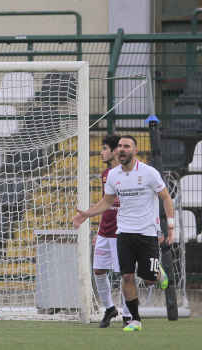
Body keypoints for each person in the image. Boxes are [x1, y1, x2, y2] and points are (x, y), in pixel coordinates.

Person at [72, 135, 173, 332]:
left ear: (135, 151)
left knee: (149, 280)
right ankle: (135, 320)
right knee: (126, 276)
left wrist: (170, 224)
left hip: (147, 233)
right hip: (124, 233)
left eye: (126, 146)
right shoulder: (112, 175)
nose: (121, 149)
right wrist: (87, 213)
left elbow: (166, 198)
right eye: (119, 146)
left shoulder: (149, 172)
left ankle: (157, 271)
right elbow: (107, 202)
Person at [93, 134, 132, 329]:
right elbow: (105, 203)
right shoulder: (106, 174)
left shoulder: (130, 173)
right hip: (104, 231)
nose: (101, 152)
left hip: (121, 233)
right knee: (98, 270)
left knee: (124, 274)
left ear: (115, 150)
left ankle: (128, 314)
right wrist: (99, 230)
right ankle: (110, 308)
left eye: (105, 149)